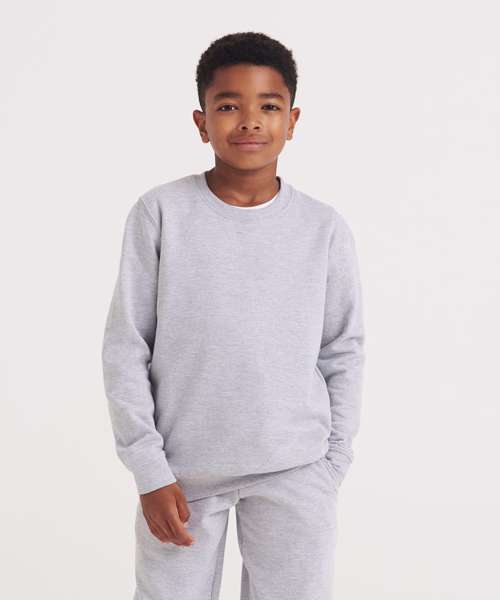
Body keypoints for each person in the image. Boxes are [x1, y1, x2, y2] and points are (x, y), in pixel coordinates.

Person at [101, 31, 365, 600]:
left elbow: (342, 349)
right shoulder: (161, 213)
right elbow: (126, 346)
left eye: (268, 106)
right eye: (228, 106)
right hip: (180, 476)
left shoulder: (323, 228)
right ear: (201, 123)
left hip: (296, 472)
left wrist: (333, 462)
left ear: (292, 120)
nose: (249, 121)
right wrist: (149, 470)